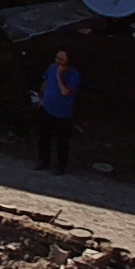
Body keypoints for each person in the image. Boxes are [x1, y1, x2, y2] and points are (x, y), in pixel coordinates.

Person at [35, 40, 83, 173]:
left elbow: (65, 92)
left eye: (62, 59)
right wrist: (41, 97)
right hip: (47, 108)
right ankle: (43, 161)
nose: (58, 61)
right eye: (57, 58)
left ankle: (61, 166)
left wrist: (60, 76)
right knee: (44, 137)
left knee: (61, 142)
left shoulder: (74, 74)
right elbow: (46, 82)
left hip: (63, 113)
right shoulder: (51, 67)